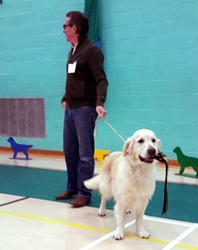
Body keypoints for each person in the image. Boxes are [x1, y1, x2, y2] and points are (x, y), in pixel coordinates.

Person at [56, 11, 108, 208]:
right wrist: (65, 98)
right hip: (70, 109)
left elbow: (101, 80)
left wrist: (100, 102)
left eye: (65, 26)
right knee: (69, 151)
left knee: (85, 155)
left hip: (85, 110)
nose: (63, 30)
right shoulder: (73, 50)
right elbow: (73, 80)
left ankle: (84, 194)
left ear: (74, 28)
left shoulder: (91, 50)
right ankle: (72, 187)